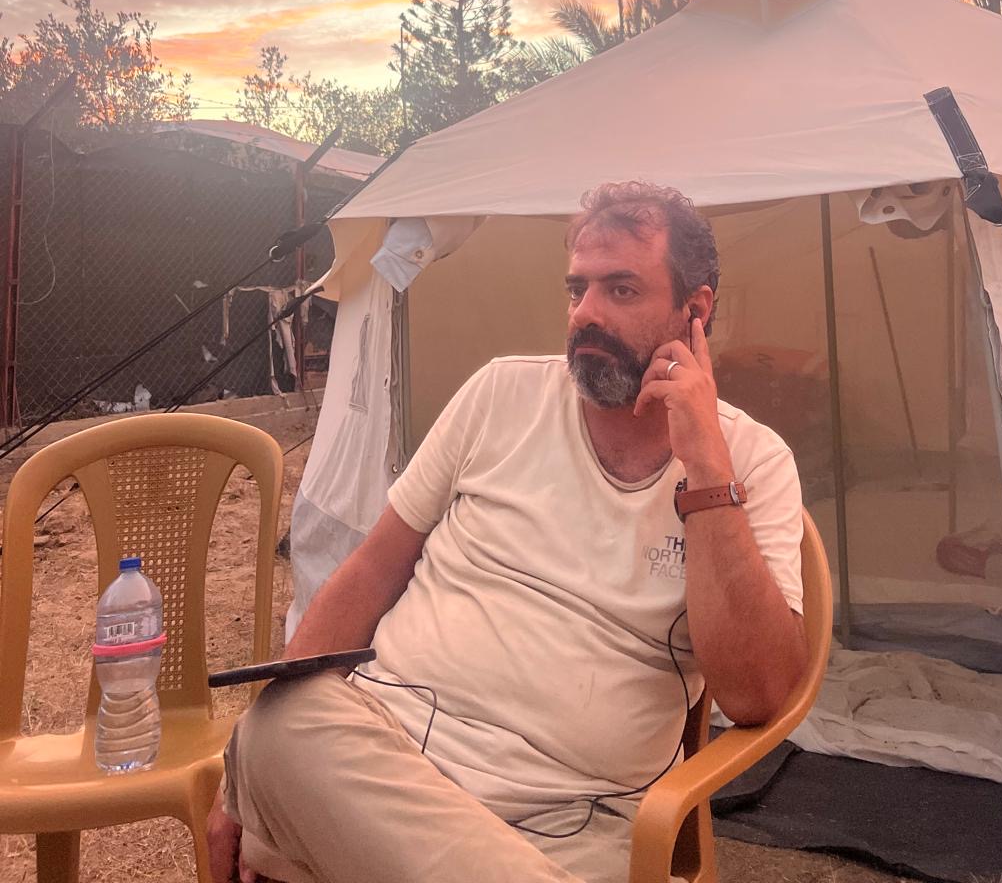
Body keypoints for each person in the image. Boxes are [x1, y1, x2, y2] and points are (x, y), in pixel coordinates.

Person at [209, 181, 808, 883]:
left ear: (695, 310)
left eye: (620, 290)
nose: (585, 313)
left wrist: (706, 469)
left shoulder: (753, 462)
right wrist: (242, 780)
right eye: (576, 288)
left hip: (572, 816)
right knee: (280, 724)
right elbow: (373, 569)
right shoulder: (499, 396)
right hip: (386, 758)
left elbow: (760, 694)